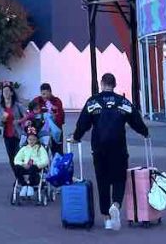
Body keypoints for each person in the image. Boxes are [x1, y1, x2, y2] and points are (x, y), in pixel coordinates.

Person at [72, 73, 150, 232]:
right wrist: (145, 132)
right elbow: (136, 120)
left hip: (99, 147)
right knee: (119, 179)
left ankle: (107, 219)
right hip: (119, 147)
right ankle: (116, 204)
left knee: (103, 181)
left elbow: (83, 123)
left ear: (101, 83)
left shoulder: (93, 102)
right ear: (114, 84)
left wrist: (76, 137)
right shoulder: (123, 102)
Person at [13, 126, 51, 198]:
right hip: (25, 166)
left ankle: (30, 185)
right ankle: (24, 184)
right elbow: (16, 159)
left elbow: (45, 160)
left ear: (36, 140)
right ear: (27, 140)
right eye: (30, 139)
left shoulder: (40, 148)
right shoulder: (24, 148)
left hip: (35, 167)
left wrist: (37, 164)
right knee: (16, 167)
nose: (31, 141)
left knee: (33, 167)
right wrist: (22, 164)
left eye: (34, 139)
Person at [0, 83, 26, 173]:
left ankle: (21, 177)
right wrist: (2, 120)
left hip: (18, 134)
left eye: (7, 91)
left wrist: (19, 121)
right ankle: (18, 177)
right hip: (7, 135)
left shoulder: (17, 105)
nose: (5, 93)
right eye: (4, 91)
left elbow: (26, 116)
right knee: (11, 158)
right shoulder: (1, 107)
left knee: (18, 156)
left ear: (11, 93)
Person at [32, 83, 65, 155]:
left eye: (47, 94)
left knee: (57, 153)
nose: (45, 96)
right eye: (43, 94)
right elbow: (31, 113)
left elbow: (61, 119)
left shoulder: (57, 101)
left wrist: (55, 113)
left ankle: (56, 165)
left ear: (50, 92)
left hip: (55, 130)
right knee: (42, 154)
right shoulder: (36, 100)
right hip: (41, 130)